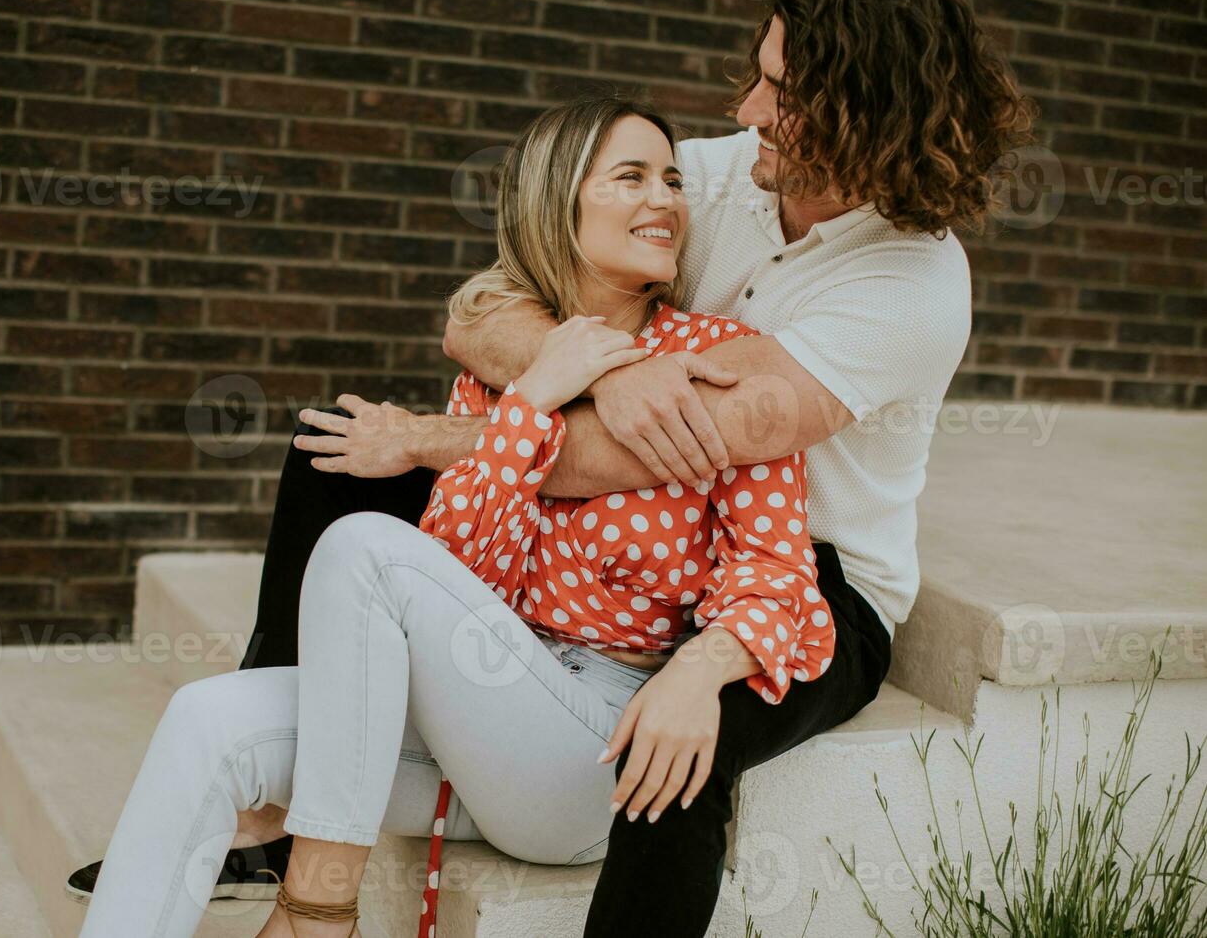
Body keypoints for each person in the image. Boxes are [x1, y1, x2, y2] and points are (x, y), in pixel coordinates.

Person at [69, 0, 1034, 934]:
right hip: (596, 560)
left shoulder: (912, 284)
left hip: (814, 576)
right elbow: (485, 307)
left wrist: (459, 435)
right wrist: (597, 370)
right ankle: (290, 802)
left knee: (680, 761)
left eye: (778, 92)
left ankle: (323, 889)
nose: (744, 108)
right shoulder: (714, 172)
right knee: (333, 457)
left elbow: (649, 454)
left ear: (855, 114)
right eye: (757, 75)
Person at [73, 95, 838, 938]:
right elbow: (466, 574)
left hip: (594, 750)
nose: (663, 200)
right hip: (479, 706)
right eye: (630, 178)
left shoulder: (716, 358)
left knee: (368, 546)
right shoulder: (506, 366)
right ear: (557, 202)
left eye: (669, 180)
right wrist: (538, 395)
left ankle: (318, 906)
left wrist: (701, 670)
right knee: (206, 719)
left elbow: (775, 574)